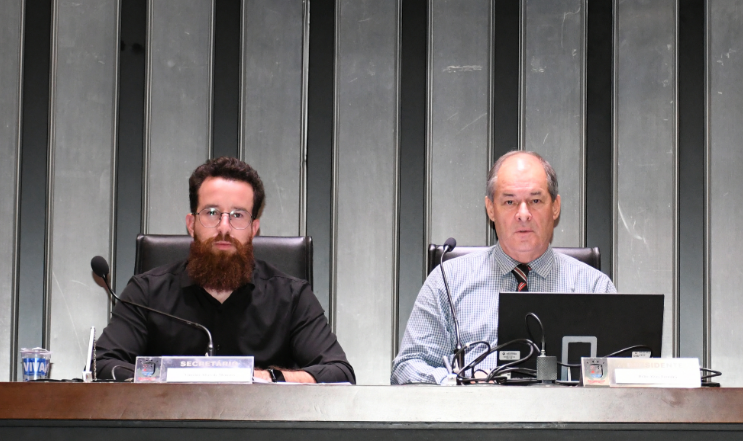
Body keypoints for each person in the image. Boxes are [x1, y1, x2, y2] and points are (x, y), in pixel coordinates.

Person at [96, 157, 354, 383]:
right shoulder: (146, 293)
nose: (224, 227)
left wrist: (264, 377)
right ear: (191, 224)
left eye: (238, 215)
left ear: (254, 229)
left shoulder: (292, 297)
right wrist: (173, 378)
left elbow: (339, 373)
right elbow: (102, 365)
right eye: (211, 213)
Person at [392, 150, 616, 385]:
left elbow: (622, 372)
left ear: (555, 207)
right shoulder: (448, 280)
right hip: (476, 408)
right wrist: (458, 382)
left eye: (535, 201)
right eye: (509, 202)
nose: (523, 214)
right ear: (490, 209)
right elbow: (407, 367)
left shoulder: (594, 287)